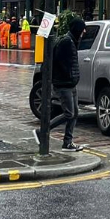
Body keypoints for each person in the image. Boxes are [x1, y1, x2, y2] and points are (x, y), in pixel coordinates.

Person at [34, 18, 86, 152]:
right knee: (69, 113)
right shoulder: (66, 42)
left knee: (74, 113)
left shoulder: (72, 41)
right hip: (64, 84)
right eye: (82, 29)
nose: (84, 31)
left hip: (70, 83)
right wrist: (66, 76)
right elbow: (59, 63)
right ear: (77, 29)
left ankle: (67, 142)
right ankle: (43, 131)